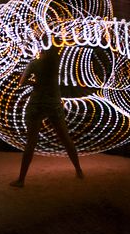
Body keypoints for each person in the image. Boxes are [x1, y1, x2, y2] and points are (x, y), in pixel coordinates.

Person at [9, 41, 84, 187]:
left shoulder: (34, 63)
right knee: (65, 139)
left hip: (37, 104)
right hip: (54, 105)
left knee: (30, 143)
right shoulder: (55, 62)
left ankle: (21, 180)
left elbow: (21, 82)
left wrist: (34, 83)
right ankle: (79, 170)